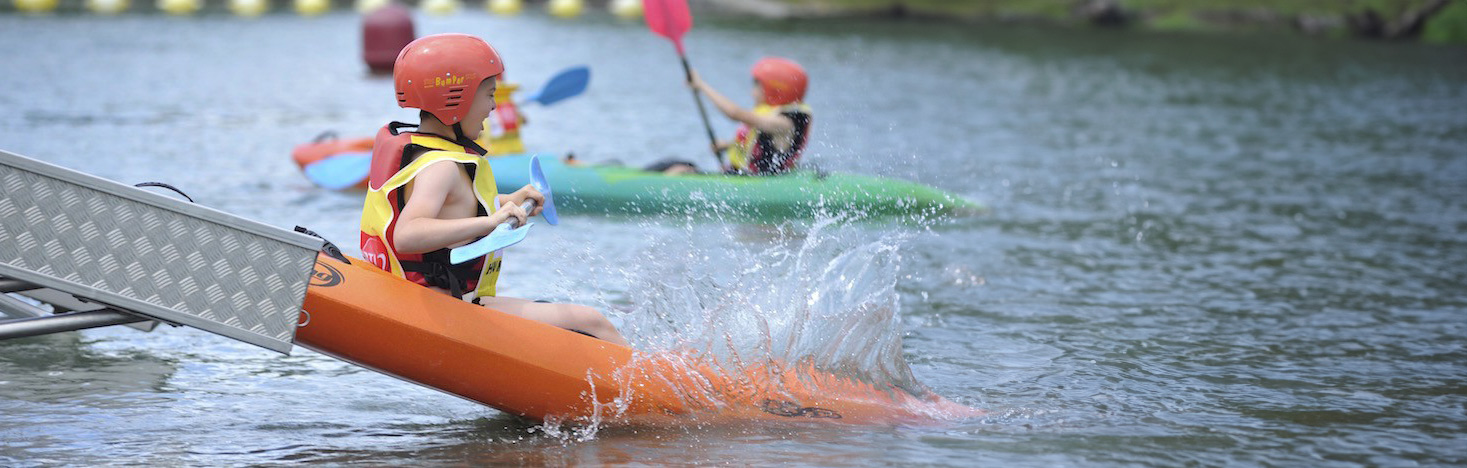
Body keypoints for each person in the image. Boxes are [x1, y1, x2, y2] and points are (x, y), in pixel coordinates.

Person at [359, 33, 628, 346]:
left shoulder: (427, 152)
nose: (492, 107)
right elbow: (408, 234)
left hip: (445, 298)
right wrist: (490, 222)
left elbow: (454, 207)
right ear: (455, 99)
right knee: (590, 321)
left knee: (568, 317)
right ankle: (657, 391)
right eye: (488, 95)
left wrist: (507, 202)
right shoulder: (441, 167)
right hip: (446, 306)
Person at [649, 57, 813, 176]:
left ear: (775, 90)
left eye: (757, 86)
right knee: (673, 163)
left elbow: (734, 114)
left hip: (756, 182)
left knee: (679, 171)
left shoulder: (783, 123)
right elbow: (762, 147)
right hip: (740, 176)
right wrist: (727, 146)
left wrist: (701, 86)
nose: (752, 91)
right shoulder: (775, 118)